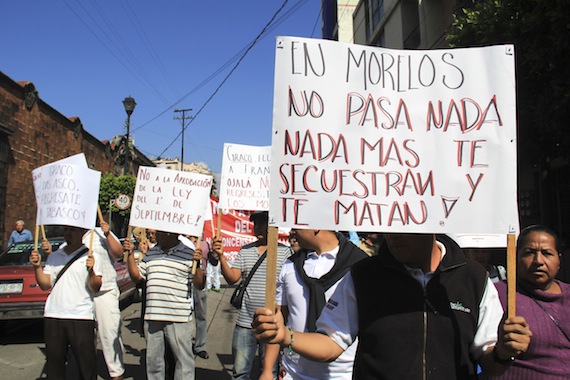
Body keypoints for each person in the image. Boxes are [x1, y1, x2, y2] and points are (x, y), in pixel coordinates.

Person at [254, 233, 533, 379]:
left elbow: (488, 359)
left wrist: (503, 352)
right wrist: (286, 337)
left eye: (404, 226)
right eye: (389, 226)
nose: (392, 235)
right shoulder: (363, 275)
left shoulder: (472, 277)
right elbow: (331, 343)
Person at [261, 229, 368, 380]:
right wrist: (267, 370)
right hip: (292, 372)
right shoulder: (290, 265)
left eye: (297, 223)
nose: (292, 231)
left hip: (342, 375)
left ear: (315, 226)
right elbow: (278, 322)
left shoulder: (362, 268)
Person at [211, 211, 292, 380]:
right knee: (240, 372)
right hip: (245, 322)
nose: (258, 227)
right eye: (256, 224)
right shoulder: (246, 250)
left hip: (271, 324)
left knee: (269, 371)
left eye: (263, 223)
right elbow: (233, 278)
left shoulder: (285, 253)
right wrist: (221, 257)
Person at [43, 220, 126, 379]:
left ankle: (116, 373)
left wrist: (108, 233)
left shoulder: (100, 232)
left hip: (104, 291)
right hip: (81, 296)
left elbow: (119, 253)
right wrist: (48, 253)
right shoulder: (67, 242)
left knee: (109, 334)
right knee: (85, 342)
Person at [124, 230, 205, 380]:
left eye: (158, 231)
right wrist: (129, 255)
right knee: (154, 363)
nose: (153, 234)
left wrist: (198, 265)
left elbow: (199, 285)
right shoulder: (151, 253)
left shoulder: (189, 254)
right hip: (153, 317)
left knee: (183, 362)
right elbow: (137, 276)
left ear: (170, 232)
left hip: (179, 317)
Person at [492, 225, 570, 379]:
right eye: (529, 253)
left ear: (559, 259)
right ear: (515, 257)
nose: (538, 261)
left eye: (547, 253)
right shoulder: (497, 294)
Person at [30, 225, 103, 380]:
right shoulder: (55, 256)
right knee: (55, 368)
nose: (68, 233)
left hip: (81, 316)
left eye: (72, 230)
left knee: (86, 368)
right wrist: (37, 267)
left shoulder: (92, 256)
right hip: (54, 315)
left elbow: (95, 287)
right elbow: (45, 284)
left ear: (83, 233)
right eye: (66, 230)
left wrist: (91, 271)